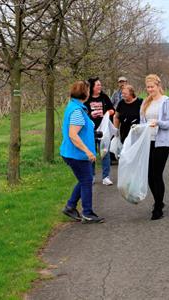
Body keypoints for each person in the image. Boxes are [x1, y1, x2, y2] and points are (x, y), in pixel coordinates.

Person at [60, 80, 105, 224]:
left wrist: (94, 134)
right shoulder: (77, 111)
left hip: (74, 153)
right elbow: (73, 134)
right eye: (88, 90)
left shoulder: (74, 106)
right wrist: (88, 151)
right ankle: (87, 213)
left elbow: (81, 130)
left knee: (84, 179)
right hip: (77, 154)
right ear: (85, 93)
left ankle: (70, 206)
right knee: (86, 180)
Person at [140, 74, 169, 220]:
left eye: (152, 87)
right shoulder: (145, 103)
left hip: (161, 142)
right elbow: (143, 121)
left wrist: (158, 122)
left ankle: (158, 207)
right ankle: (158, 201)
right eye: (148, 87)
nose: (150, 90)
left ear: (158, 86)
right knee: (149, 176)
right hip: (148, 141)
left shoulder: (167, 102)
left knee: (156, 174)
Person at [85, 77, 115, 186]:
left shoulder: (104, 97)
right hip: (90, 131)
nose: (100, 86)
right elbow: (83, 113)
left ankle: (106, 177)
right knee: (91, 153)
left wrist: (107, 113)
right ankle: (92, 176)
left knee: (105, 153)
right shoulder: (87, 99)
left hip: (104, 130)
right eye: (98, 85)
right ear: (92, 86)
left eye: (100, 84)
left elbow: (112, 110)